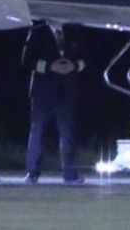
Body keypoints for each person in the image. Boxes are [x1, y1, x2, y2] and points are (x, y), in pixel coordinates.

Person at [21, 20, 86, 184]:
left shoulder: (73, 31)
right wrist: (50, 66)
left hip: (67, 90)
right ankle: (32, 172)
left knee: (67, 131)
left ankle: (70, 172)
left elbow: (85, 58)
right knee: (37, 130)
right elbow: (27, 60)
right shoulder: (38, 32)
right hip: (43, 90)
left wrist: (74, 66)